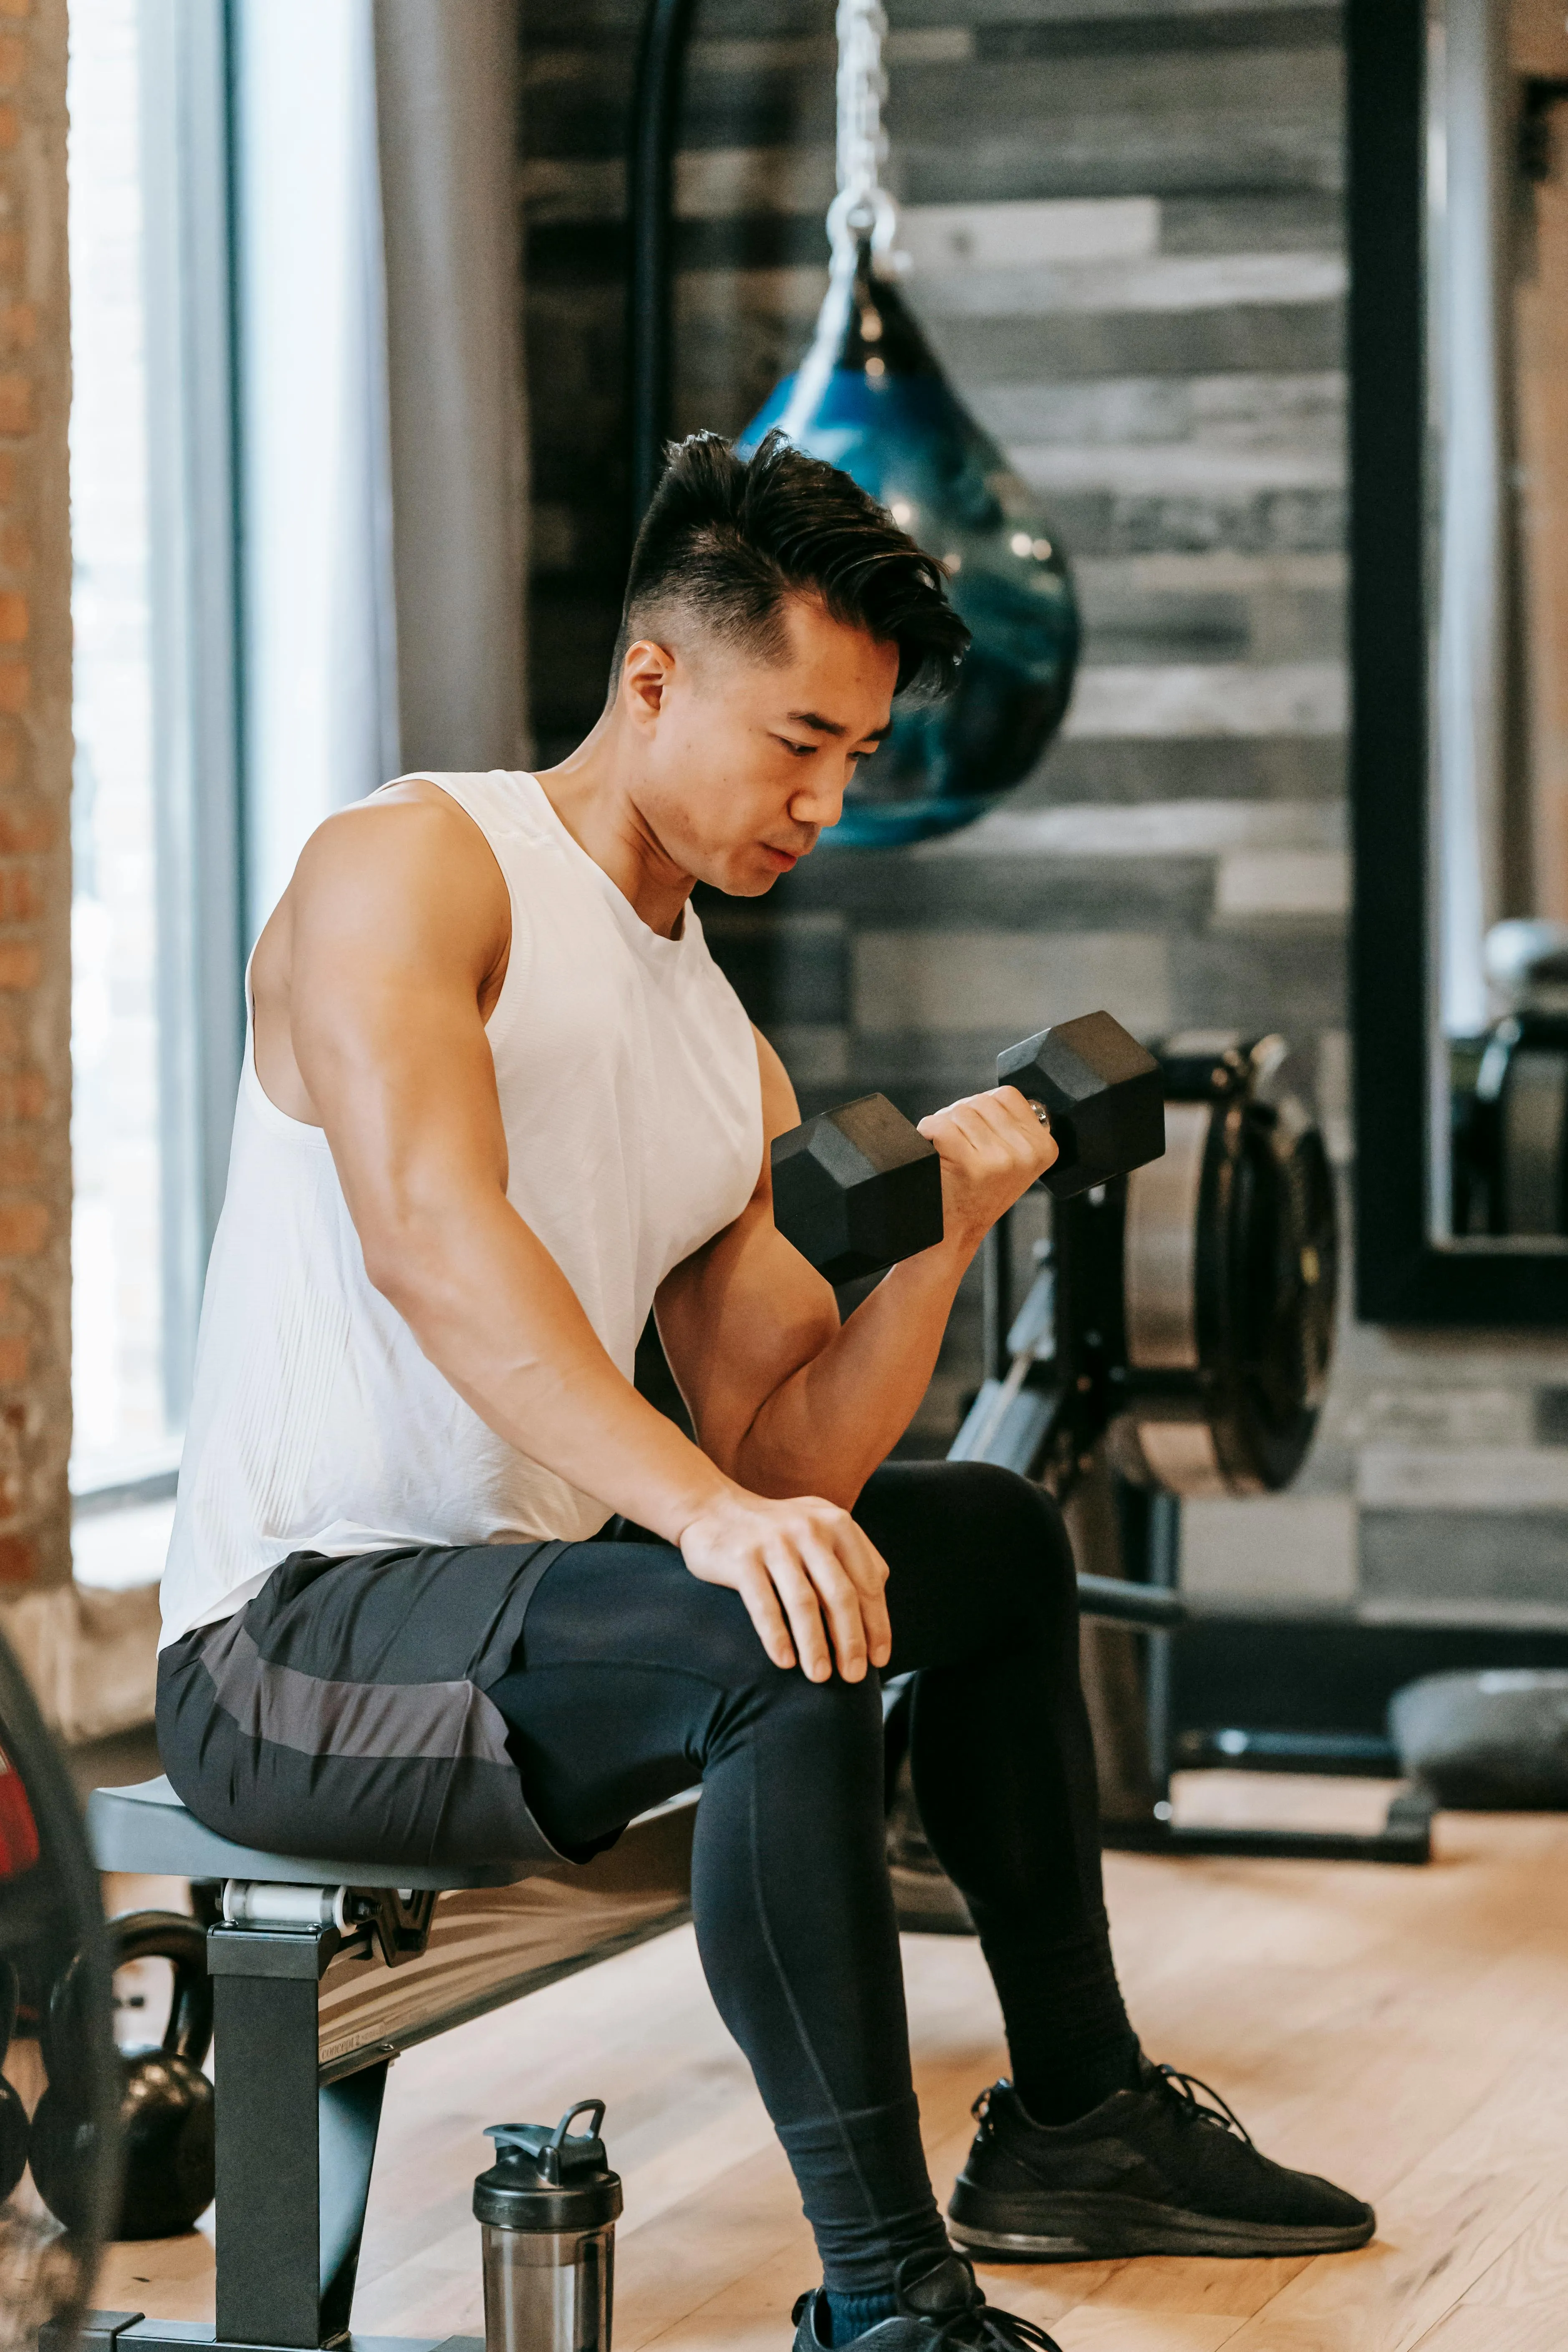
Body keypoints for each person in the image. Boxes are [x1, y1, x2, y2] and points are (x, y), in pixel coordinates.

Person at [155, 430, 1373, 2350]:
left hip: (526, 1623)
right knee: (759, 1628)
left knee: (972, 1529)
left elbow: (768, 1451)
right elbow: (430, 1239)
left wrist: (949, 1235)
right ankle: (890, 2300)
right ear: (652, 677)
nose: (822, 797)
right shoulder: (410, 866)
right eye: (796, 738)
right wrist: (713, 1522)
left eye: (858, 758)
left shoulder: (727, 1053)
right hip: (296, 1637)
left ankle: (1077, 2119)